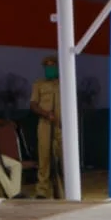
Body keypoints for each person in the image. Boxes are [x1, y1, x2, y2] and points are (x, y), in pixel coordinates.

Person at [29, 55, 63, 199]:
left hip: (62, 125)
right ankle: (42, 190)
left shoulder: (65, 82)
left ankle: (63, 189)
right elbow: (33, 104)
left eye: (52, 66)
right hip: (45, 124)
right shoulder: (39, 84)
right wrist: (45, 113)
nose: (49, 69)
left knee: (62, 157)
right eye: (47, 66)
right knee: (44, 158)